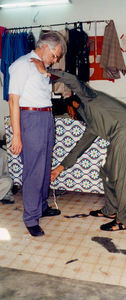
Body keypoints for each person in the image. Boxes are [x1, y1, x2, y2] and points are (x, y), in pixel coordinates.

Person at [31, 58, 126, 232]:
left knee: (125, 179)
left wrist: (47, 72)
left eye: (70, 112)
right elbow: (79, 147)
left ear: (74, 104)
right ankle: (110, 210)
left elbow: (73, 80)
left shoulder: (89, 98)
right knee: (106, 171)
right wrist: (59, 168)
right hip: (121, 136)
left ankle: (123, 221)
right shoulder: (92, 123)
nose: (71, 116)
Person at [8, 31, 66, 237]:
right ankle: (31, 218)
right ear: (44, 47)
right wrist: (16, 135)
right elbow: (13, 101)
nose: (56, 59)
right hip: (30, 119)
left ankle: (41, 206)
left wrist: (46, 71)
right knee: (33, 170)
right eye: (55, 55)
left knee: (44, 166)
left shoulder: (41, 67)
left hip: (45, 118)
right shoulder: (22, 65)